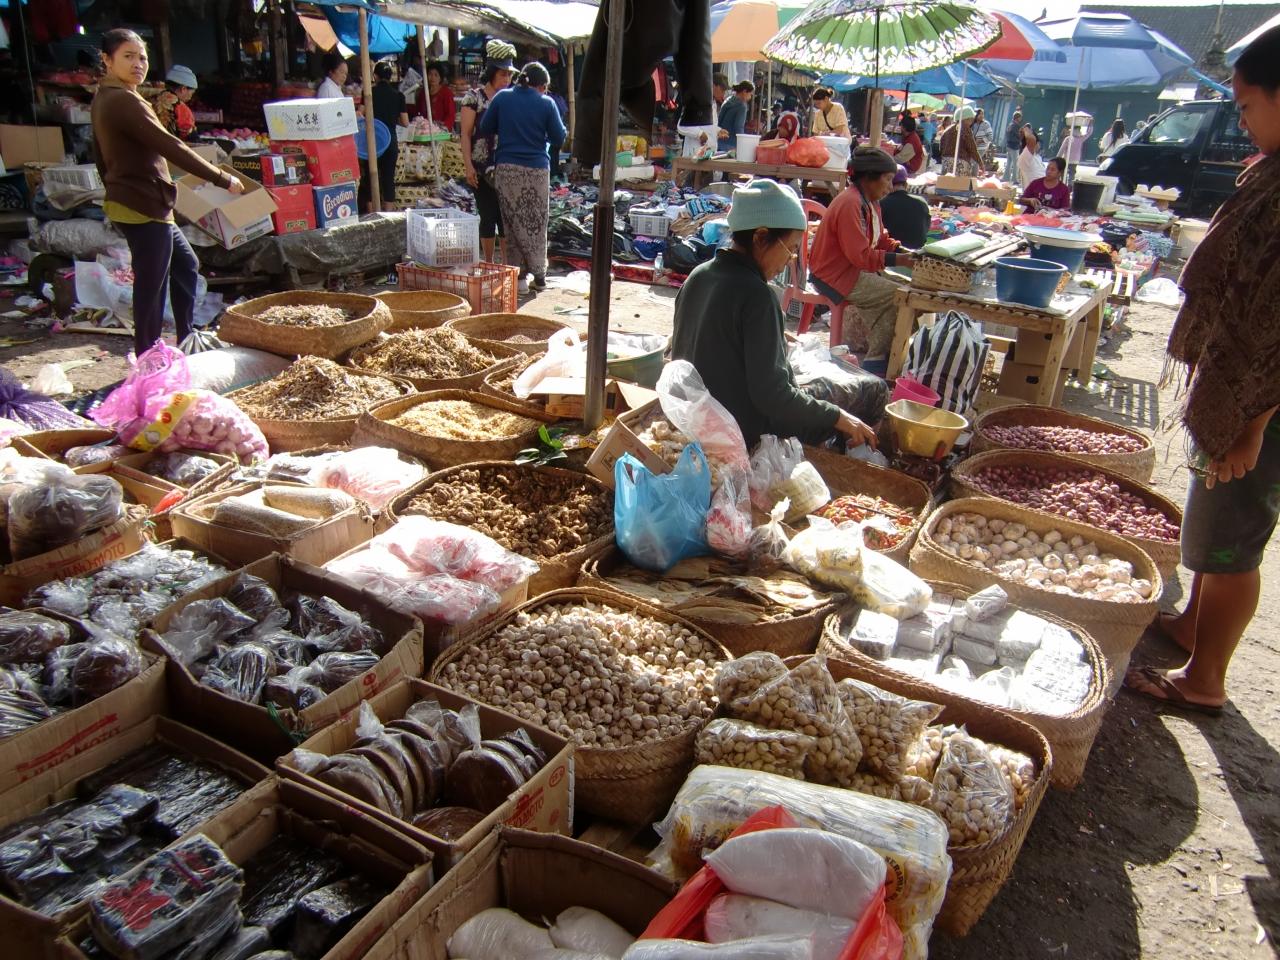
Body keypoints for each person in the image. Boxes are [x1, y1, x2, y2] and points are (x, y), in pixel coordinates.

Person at [1125, 24, 1280, 715]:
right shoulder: (1271, 171)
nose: (1241, 121)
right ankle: (1193, 625)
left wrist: (1253, 424)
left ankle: (1205, 678)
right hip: (1236, 393)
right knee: (1214, 525)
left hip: (1259, 408)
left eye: (1246, 106)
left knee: (1232, 543)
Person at [671, 178, 882, 449]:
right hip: (744, 431)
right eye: (790, 248)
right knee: (871, 390)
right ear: (760, 237)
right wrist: (839, 417)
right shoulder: (758, 295)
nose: (789, 260)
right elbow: (773, 397)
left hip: (696, 418)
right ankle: (841, 454)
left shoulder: (698, 276)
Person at [91, 28, 244, 358]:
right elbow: (171, 146)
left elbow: (99, 154)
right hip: (142, 204)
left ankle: (185, 337)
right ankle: (147, 358)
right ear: (107, 60)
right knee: (152, 287)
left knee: (186, 265)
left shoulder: (107, 97)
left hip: (144, 202)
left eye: (142, 57)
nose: (138, 64)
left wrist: (113, 187)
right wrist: (221, 178)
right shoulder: (123, 100)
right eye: (128, 56)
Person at [809, 145, 915, 361]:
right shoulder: (850, 203)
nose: (890, 187)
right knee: (899, 296)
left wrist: (903, 252)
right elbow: (860, 256)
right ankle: (878, 360)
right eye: (887, 180)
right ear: (869, 177)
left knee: (912, 291)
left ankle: (886, 355)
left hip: (852, 270)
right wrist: (901, 260)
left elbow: (881, 238)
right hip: (834, 275)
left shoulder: (871, 203)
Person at [477, 61, 566, 293]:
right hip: (537, 170)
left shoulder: (502, 98)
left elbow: (485, 126)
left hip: (508, 170)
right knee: (536, 222)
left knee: (512, 223)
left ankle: (519, 279)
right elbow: (559, 137)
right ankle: (540, 276)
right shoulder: (546, 103)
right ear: (542, 85)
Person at [460, 41, 515, 263]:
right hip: (481, 168)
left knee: (505, 218)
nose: (507, 79)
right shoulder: (474, 98)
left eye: (509, 75)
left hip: (507, 167)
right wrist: (468, 166)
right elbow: (465, 134)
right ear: (492, 73)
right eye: (503, 74)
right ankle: (489, 263)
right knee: (487, 215)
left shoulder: (511, 99)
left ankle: (506, 265)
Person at [358, 61, 408, 213]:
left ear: (375, 76)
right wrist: (392, 118)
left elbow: (360, 114)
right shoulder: (398, 95)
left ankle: (371, 212)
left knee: (369, 178)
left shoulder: (368, 93)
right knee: (388, 178)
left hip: (372, 141)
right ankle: (388, 213)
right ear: (390, 76)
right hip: (390, 141)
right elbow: (405, 122)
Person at [880, 164, 930, 249]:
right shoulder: (922, 202)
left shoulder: (882, 203)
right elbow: (925, 229)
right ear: (906, 183)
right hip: (917, 251)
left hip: (893, 251)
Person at [151, 65, 197, 140]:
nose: (190, 97)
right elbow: (189, 136)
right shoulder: (180, 107)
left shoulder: (151, 98)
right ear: (183, 89)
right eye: (192, 93)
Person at [939, 107, 982, 176]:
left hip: (946, 162)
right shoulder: (965, 128)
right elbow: (972, 148)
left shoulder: (947, 130)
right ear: (966, 119)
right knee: (960, 183)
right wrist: (981, 164)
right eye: (971, 119)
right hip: (960, 163)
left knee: (946, 182)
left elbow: (941, 146)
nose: (972, 121)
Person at [419, 60, 456, 132]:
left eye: (436, 75)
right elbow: (419, 111)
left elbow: (450, 114)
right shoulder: (423, 92)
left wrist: (443, 128)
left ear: (440, 77)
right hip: (425, 130)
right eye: (430, 74)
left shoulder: (446, 93)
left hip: (441, 130)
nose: (432, 78)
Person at [718, 80, 752, 152]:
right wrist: (742, 143)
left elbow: (719, 120)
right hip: (731, 145)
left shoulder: (727, 100)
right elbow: (739, 126)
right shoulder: (742, 106)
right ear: (744, 91)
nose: (750, 97)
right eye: (750, 94)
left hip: (719, 142)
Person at [1004, 109, 1024, 178]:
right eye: (1020, 117)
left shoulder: (1010, 125)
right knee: (1016, 163)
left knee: (1009, 163)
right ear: (1017, 118)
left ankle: (1006, 177)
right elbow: (1018, 135)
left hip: (1009, 145)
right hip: (1014, 146)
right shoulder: (1016, 126)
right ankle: (1015, 179)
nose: (1021, 119)